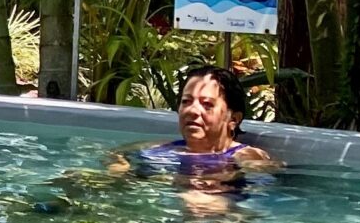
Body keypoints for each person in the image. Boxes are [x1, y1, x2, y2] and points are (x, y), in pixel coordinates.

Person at [110, 63, 279, 193]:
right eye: (186, 101)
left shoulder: (243, 155)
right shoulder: (164, 147)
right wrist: (121, 165)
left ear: (233, 119)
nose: (192, 110)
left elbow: (260, 175)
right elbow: (118, 152)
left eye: (207, 104)